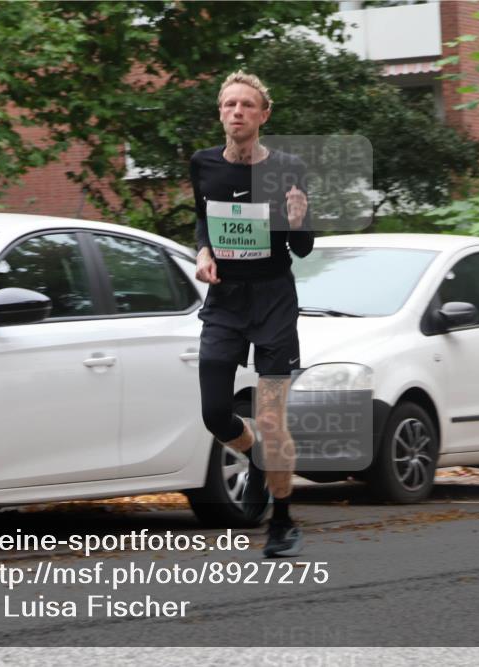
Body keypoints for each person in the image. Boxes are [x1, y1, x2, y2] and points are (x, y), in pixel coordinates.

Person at [190, 70, 313, 558]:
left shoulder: (287, 168)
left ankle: (281, 521)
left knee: (271, 416)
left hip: (274, 300)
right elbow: (204, 217)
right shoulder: (203, 164)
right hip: (225, 302)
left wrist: (299, 218)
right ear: (220, 113)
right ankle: (259, 459)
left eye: (246, 105)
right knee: (215, 413)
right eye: (228, 105)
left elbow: (302, 248)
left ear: (263, 115)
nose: (236, 112)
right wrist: (203, 254)